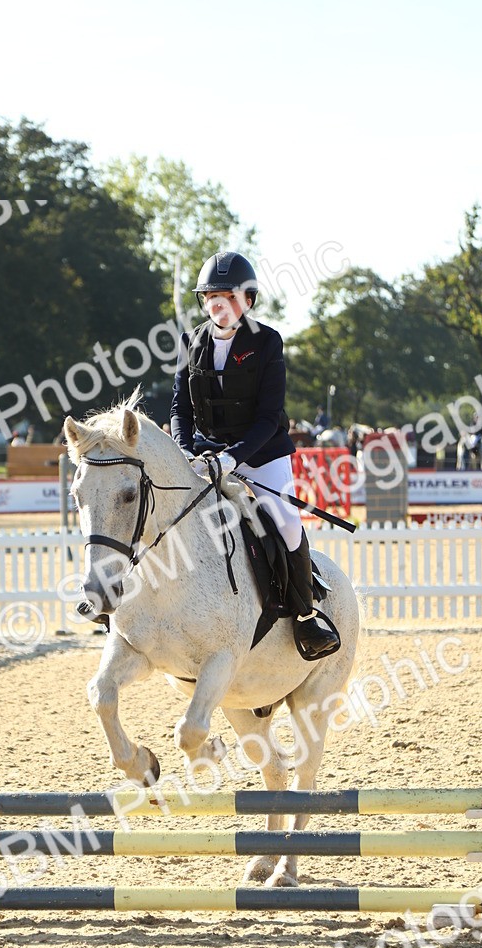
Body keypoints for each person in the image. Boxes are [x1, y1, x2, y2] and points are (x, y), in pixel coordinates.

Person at [170, 251, 339, 660]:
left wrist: (234, 459)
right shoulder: (192, 342)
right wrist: (184, 450)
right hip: (205, 456)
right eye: (211, 296)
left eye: (227, 296)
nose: (218, 304)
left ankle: (304, 615)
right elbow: (180, 408)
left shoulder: (266, 341)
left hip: (262, 454)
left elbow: (268, 418)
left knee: (286, 523)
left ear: (247, 301)